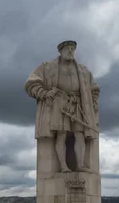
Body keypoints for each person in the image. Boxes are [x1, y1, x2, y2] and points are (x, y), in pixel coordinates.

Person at [25, 40, 100, 172]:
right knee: (61, 134)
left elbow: (94, 89)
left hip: (78, 103)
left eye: (72, 48)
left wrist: (92, 102)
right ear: (60, 51)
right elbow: (31, 83)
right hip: (58, 102)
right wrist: (44, 93)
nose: (70, 51)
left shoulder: (83, 70)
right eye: (67, 48)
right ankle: (63, 166)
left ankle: (80, 165)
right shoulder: (47, 67)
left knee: (80, 133)